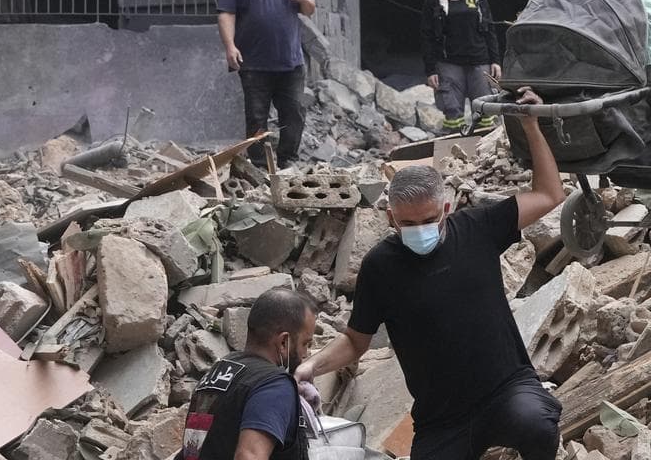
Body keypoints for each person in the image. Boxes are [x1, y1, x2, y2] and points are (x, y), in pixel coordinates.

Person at [295, 87, 565, 460]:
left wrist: (531, 127)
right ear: (390, 218)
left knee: (536, 422)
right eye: (408, 223)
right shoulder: (380, 266)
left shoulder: (478, 229)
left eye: (429, 220)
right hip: (443, 419)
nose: (420, 229)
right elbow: (357, 342)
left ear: (446, 208)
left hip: (507, 391)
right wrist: (310, 366)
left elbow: (550, 194)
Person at [217, 0, 316, 169]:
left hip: (290, 62)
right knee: (257, 118)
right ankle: (259, 165)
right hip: (254, 64)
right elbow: (226, 13)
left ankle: (288, 161)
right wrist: (230, 46)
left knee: (293, 113)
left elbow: (310, 9)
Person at [178, 288, 318, 460]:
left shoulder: (223, 368)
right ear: (283, 342)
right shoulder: (274, 386)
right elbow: (249, 456)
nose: (306, 354)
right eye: (306, 343)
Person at [421, 0, 502, 134]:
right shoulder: (434, 0)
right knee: (452, 114)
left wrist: (495, 60)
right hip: (448, 64)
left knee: (485, 112)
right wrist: (430, 69)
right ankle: (453, 154)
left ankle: (484, 156)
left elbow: (489, 29)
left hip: (479, 62)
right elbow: (426, 37)